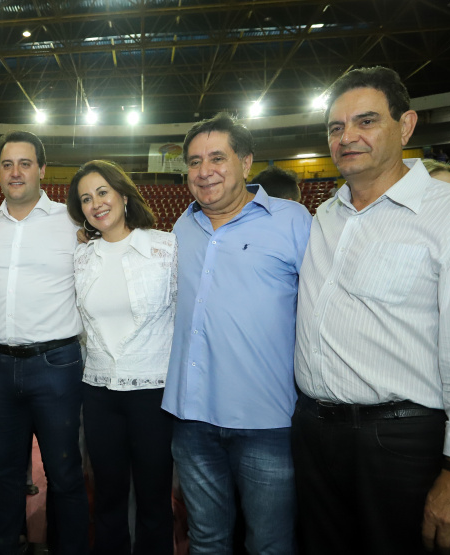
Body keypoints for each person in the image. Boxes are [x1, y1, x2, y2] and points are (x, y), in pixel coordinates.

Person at [293, 66, 450, 555]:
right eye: (336, 128)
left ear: (405, 126)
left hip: (400, 441)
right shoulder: (325, 216)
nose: (348, 137)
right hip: (316, 435)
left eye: (366, 121)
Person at [162, 112, 311, 555]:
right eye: (193, 161)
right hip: (192, 419)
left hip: (266, 422)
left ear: (246, 163)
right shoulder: (181, 228)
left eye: (216, 158)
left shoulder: (292, 221)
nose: (204, 171)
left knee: (269, 544)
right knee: (206, 541)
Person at [0, 131, 88, 555]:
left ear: (42, 170)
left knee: (65, 474)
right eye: (7, 164)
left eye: (25, 163)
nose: (15, 172)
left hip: (57, 365)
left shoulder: (72, 222)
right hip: (0, 367)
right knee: (4, 472)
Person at [66, 160, 177, 554]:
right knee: (108, 499)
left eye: (102, 192)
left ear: (123, 195)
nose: (95, 203)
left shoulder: (166, 247)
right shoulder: (80, 256)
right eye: (85, 199)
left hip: (153, 393)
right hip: (97, 393)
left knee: (154, 499)